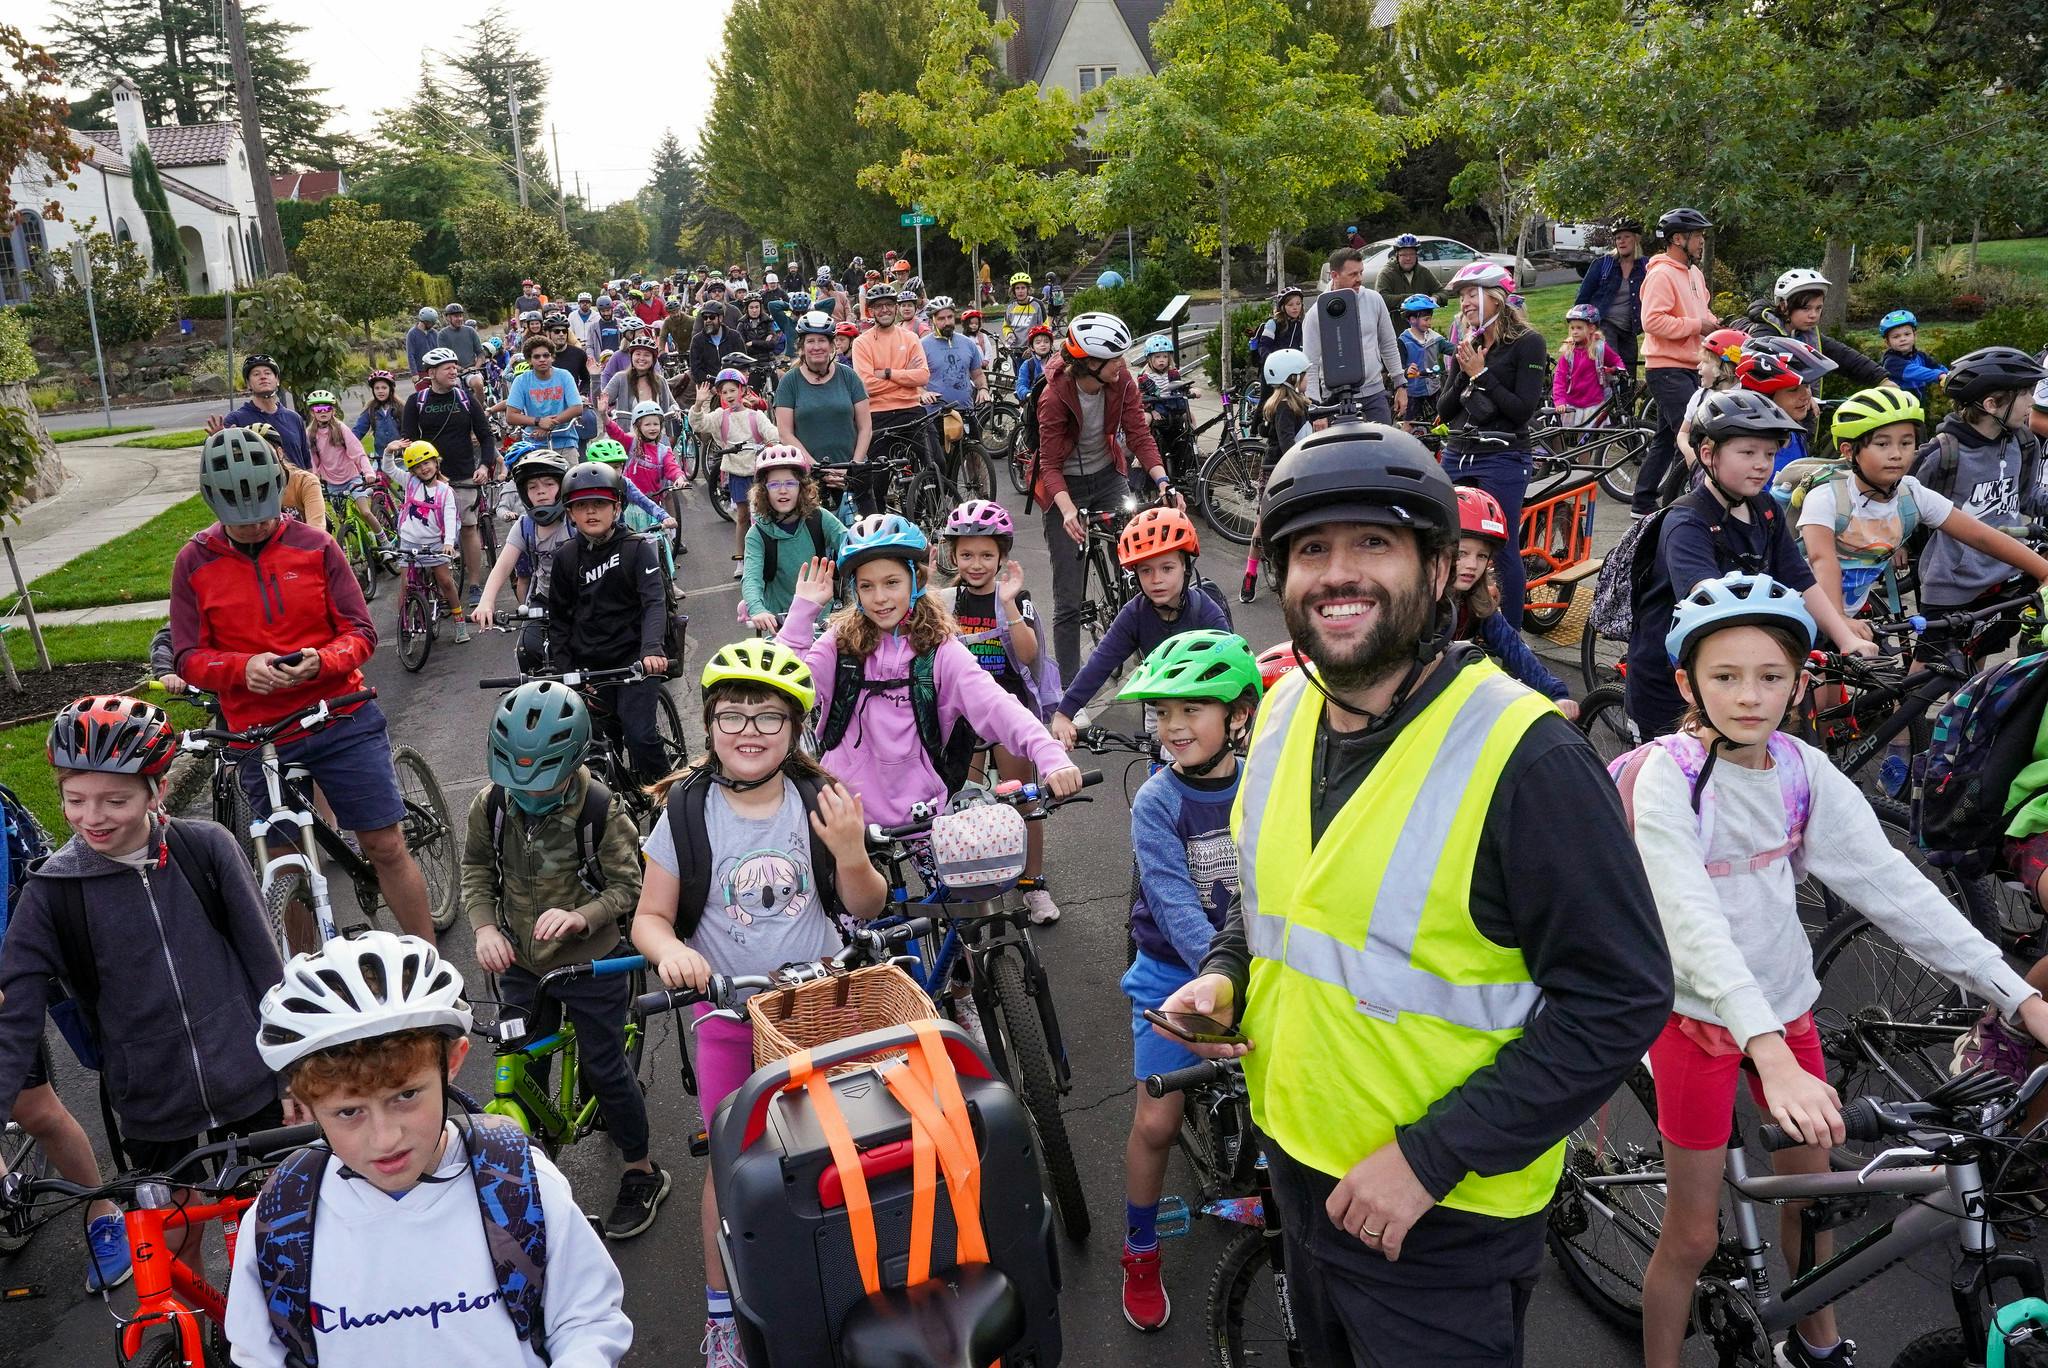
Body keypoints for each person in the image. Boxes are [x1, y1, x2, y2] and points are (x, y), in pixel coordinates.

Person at [1157, 425, 1671, 1367]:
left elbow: (1620, 997)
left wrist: (1430, 1160)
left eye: (1374, 544)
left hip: (1441, 1219)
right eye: (1312, 548)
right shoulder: (1280, 711)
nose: (1337, 575)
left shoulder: (1529, 757)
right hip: (1300, 1162)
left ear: (1441, 572)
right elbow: (1279, 898)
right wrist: (1228, 973)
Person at [1627, 572, 2048, 1368]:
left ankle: (1815, 1346)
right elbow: (1690, 920)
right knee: (1689, 1236)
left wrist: (2018, 994)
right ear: (1687, 681)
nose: (1749, 696)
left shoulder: (1800, 771)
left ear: (1798, 680)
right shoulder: (1668, 778)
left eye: (1771, 676)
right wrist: (1769, 1053)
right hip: (1696, 1019)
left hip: (1785, 1011)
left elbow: (1895, 891)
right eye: (1725, 677)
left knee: (1812, 1207)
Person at [630, 641, 888, 1368]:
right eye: (734, 715)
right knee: (730, 1170)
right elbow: (649, 916)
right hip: (728, 1018)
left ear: (794, 730)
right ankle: (720, 1315)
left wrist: (851, 853)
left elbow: (865, 905)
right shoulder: (686, 811)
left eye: (769, 717)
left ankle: (859, 1274)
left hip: (824, 1005)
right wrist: (672, 952)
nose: (750, 730)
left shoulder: (819, 802)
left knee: (851, 1146)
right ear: (709, 724)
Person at [229, 932, 633, 1367]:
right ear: (306, 1104)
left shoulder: (515, 1181)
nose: (385, 1139)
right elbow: (258, 1356)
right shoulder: (283, 1218)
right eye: (348, 1112)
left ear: (453, 1061)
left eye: (405, 1096)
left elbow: (586, 1319)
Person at [0, 696, 283, 1289]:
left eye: (115, 800)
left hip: (251, 1080)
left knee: (275, 1230)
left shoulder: (205, 849)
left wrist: (298, 1075)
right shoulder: (51, 894)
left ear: (157, 791)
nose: (91, 818)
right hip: (151, 1102)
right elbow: (16, 1016)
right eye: (74, 800)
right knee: (174, 1238)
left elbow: (268, 973)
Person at [173, 429, 437, 948]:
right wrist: (240, 669)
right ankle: (307, 981)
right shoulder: (195, 561)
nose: (253, 527)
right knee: (288, 865)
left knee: (384, 844)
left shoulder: (316, 547)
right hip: (261, 735)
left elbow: (361, 634)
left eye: (264, 513)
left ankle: (433, 968)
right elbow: (187, 656)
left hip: (339, 715)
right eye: (239, 519)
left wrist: (321, 661)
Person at [462, 681, 667, 1237]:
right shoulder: (493, 805)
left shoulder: (601, 811)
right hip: (523, 964)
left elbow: (630, 888)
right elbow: (477, 871)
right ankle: (537, 1152)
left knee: (605, 1068)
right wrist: (484, 927)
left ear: (575, 762)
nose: (528, 795)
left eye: (544, 785)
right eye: (516, 783)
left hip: (589, 963)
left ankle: (641, 1167)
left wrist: (584, 917)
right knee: (523, 1060)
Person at [1112, 630, 1263, 1332]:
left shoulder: (1266, 781)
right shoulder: (1157, 802)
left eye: (1191, 709)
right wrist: (1224, 984)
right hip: (1172, 977)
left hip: (1256, 969)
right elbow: (1175, 912)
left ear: (1238, 715)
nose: (1171, 727)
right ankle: (1140, 1250)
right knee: (1156, 1121)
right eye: (1162, 712)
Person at [774, 517, 1082, 830]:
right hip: (845, 812)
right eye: (866, 586)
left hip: (921, 815)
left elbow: (996, 705)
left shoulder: (941, 650)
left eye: (892, 582)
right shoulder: (841, 643)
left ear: (915, 580)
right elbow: (780, 690)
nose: (879, 597)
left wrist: (1048, 753)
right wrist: (802, 613)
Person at [1622, 391, 1875, 740]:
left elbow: (1800, 579)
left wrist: (1844, 637)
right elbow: (1710, 605)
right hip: (1671, 679)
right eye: (1747, 453)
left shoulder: (1765, 508)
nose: (1762, 464)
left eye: (1770, 453)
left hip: (1735, 672)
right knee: (1673, 782)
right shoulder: (1687, 522)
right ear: (1708, 454)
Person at [1796, 387, 2048, 626]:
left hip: (1842, 617)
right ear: (1849, 451)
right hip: (1795, 613)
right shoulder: (1827, 498)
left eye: (1906, 443)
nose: (1896, 454)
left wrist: (2043, 571)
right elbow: (1822, 560)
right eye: (1882, 444)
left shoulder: (1911, 493)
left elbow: (1981, 536)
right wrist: (1838, 620)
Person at [1033, 311, 1184, 682]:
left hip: (1108, 478)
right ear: (1090, 363)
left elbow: (1139, 435)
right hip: (1063, 489)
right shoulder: (1054, 396)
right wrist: (1067, 512)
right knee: (1068, 597)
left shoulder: (1122, 381)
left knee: (1140, 568)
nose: (1122, 364)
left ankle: (1155, 666)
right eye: (1115, 358)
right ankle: (1070, 689)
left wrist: (1164, 482)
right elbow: (1049, 465)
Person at [936, 499, 1063, 922]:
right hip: (964, 721)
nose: (976, 564)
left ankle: (1032, 884)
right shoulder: (945, 602)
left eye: (987, 555)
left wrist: (1007, 604)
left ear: (1002, 557)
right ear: (953, 555)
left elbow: (1030, 656)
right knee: (962, 805)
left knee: (1024, 799)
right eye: (967, 554)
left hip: (1009, 714)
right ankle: (974, 878)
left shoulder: (1016, 597)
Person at [1049, 507, 1232, 745]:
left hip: (1205, 705)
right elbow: (1100, 663)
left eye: (1167, 568)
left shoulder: (1205, 612)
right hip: (1160, 710)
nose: (1156, 579)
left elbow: (1233, 668)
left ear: (1186, 567)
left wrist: (1240, 721)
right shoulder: (1135, 614)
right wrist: (1065, 713)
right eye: (1146, 570)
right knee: (1157, 772)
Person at [1911, 347, 2048, 648]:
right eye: (2025, 393)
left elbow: (2026, 499)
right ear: (1991, 404)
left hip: (2006, 574)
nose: (2032, 402)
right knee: (1930, 668)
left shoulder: (2023, 443)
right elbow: (1906, 505)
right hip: (1952, 581)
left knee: (1977, 658)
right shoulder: (1942, 454)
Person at [543, 463, 671, 784]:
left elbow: (654, 603)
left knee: (639, 736)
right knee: (594, 748)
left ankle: (670, 799)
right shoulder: (566, 557)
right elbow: (558, 621)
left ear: (616, 507)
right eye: (581, 506)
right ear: (570, 513)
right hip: (589, 669)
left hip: (636, 663)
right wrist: (566, 671)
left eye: (599, 504)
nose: (590, 512)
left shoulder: (638, 549)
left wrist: (652, 649)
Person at [1436, 262, 1546, 627]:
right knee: (1445, 540)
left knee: (1503, 547)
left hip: (1504, 455)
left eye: (1471, 294)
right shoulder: (1469, 343)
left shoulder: (1529, 342)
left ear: (1494, 298)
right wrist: (1464, 370)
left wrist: (1481, 374)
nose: (1464, 303)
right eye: (1462, 296)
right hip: (1459, 452)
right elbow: (1445, 409)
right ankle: (1448, 625)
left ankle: (1511, 637)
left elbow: (1521, 411)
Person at [1450, 488, 1574, 714]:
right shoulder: (1417, 602)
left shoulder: (1477, 602)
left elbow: (1513, 647)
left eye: (1482, 556)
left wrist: (1555, 692)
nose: (1472, 565)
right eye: (1461, 554)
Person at [1637, 207, 1719, 517]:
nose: (1701, 241)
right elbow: (1653, 321)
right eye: (1697, 236)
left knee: (1665, 438)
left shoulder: (1694, 272)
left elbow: (1703, 312)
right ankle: (1680, 503)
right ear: (1677, 239)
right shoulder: (1660, 274)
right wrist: (1698, 325)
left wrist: (1717, 325)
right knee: (1691, 434)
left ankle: (1642, 502)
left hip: (1691, 365)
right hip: (1666, 368)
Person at [403, 347, 503, 599]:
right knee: (432, 531)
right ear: (431, 373)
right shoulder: (417, 402)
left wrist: (483, 465)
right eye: (446, 367)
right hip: (429, 479)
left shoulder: (466, 399)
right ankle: (437, 581)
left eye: (454, 366)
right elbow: (410, 441)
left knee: (468, 528)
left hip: (463, 474)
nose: (453, 371)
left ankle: (473, 584)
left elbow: (486, 437)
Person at [473, 447, 571, 665]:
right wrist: (486, 602)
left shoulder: (574, 520)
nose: (541, 491)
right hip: (544, 598)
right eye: (532, 487)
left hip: (582, 598)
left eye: (549, 484)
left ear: (563, 486)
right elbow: (503, 565)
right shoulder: (525, 525)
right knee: (527, 651)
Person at [849, 284, 934, 516]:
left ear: (896, 308)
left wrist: (887, 373)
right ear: (871, 311)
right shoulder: (862, 343)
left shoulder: (911, 338)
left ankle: (925, 514)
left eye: (889, 305)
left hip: (911, 409)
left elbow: (923, 375)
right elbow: (865, 385)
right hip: (878, 414)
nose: (884, 310)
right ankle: (879, 526)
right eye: (878, 306)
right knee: (877, 478)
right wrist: (905, 379)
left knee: (935, 465)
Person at [742, 445, 845, 632]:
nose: (783, 490)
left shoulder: (819, 518)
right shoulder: (757, 534)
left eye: (790, 483)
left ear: (802, 488)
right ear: (763, 491)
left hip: (823, 621)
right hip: (782, 624)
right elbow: (751, 578)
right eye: (774, 484)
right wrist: (757, 609)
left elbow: (849, 544)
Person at [1301, 247, 1407, 425]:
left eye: (1361, 272)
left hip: (1374, 394)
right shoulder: (1316, 313)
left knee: (1383, 451)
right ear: (1334, 275)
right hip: (1335, 399)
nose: (1359, 279)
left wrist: (1400, 385)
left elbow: (1388, 345)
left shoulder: (1374, 300)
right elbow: (1309, 363)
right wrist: (1316, 407)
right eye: (1352, 274)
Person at [1743, 268, 1889, 393]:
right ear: (1783, 305)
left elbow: (1844, 356)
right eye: (1806, 308)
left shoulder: (1807, 335)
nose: (1813, 315)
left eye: (1818, 308)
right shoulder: (1763, 335)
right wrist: (1799, 394)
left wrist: (1881, 378)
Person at [694, 368, 779, 573]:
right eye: (724, 392)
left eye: (733, 390)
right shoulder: (720, 417)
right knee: (742, 516)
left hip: (759, 473)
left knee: (768, 514)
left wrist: (773, 444)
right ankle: (741, 559)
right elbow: (699, 423)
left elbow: (773, 434)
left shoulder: (755, 416)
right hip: (737, 473)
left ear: (742, 390)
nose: (729, 395)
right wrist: (698, 403)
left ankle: (773, 554)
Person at [775, 310, 871, 487]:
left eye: (822, 340)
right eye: (810, 341)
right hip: (808, 477)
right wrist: (818, 469)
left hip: (853, 473)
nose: (816, 346)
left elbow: (865, 427)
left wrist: (853, 467)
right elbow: (785, 434)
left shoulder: (849, 377)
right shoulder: (789, 382)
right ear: (801, 347)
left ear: (832, 345)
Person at [394, 440, 470, 643]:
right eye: (418, 466)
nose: (423, 468)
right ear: (412, 471)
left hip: (435, 544)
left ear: (436, 463)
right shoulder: (410, 483)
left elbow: (450, 517)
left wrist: (448, 543)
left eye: (427, 463)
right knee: (406, 586)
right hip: (409, 542)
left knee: (445, 581)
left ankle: (459, 621)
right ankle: (404, 625)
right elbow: (388, 469)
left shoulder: (445, 491)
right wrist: (387, 452)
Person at [305, 389, 389, 544]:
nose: (323, 412)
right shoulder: (310, 434)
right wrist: (314, 476)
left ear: (333, 411)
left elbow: (358, 453)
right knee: (343, 520)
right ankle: (354, 549)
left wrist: (368, 472)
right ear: (312, 412)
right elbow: (312, 461)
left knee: (365, 512)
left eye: (327, 408)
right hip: (332, 484)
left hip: (353, 478)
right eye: (318, 409)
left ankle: (384, 541)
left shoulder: (341, 429)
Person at [1572, 217, 1647, 371]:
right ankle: (1606, 394)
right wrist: (1580, 327)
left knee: (1628, 372)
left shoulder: (1645, 266)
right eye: (1618, 238)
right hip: (1605, 324)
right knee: (1611, 369)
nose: (1622, 241)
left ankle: (1625, 395)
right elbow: (1583, 297)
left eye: (1626, 237)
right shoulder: (1603, 264)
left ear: (1636, 239)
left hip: (1630, 328)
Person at [212, 354, 310, 470]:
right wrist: (217, 441)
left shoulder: (294, 418)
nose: (263, 377)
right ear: (248, 383)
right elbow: (222, 465)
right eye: (256, 374)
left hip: (297, 486)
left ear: (277, 380)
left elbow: (307, 463)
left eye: (268, 373)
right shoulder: (236, 420)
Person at [1676, 327, 1750, 471]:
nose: (1698, 367)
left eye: (1704, 362)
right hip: (1701, 466)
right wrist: (1690, 455)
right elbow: (1683, 433)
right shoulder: (1700, 396)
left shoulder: (1745, 398)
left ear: (1725, 367)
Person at [921, 297, 989, 437]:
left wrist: (983, 389)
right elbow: (913, 381)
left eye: (950, 317)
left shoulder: (967, 343)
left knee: (974, 454)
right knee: (941, 458)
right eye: (941, 318)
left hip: (966, 410)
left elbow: (977, 374)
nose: (947, 322)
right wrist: (923, 393)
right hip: (935, 414)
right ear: (932, 320)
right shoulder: (922, 346)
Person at [506, 335, 586, 452]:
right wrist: (539, 421)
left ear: (552, 357)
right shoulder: (521, 380)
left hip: (565, 440)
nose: (542, 359)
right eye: (537, 357)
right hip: (533, 441)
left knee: (572, 469)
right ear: (529, 360)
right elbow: (511, 416)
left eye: (546, 355)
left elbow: (577, 408)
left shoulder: (564, 376)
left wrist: (549, 425)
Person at [1551, 303, 1627, 427]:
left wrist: (1618, 369)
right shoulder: (1568, 352)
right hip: (1572, 403)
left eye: (1579, 328)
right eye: (1572, 328)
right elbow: (1559, 378)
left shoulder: (1600, 347)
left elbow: (1616, 360)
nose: (1574, 332)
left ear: (1591, 328)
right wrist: (1560, 400)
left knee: (1590, 439)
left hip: (1594, 404)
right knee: (1566, 436)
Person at [1397, 296, 1450, 425]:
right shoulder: (1404, 341)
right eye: (1426, 319)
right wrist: (1405, 371)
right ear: (1412, 319)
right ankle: (1406, 440)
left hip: (1433, 387)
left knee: (1443, 417)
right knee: (1409, 422)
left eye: (1430, 319)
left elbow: (1451, 349)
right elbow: (1399, 367)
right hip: (1413, 391)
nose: (1429, 323)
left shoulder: (1435, 338)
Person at [1879, 309, 1948, 400]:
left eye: (1907, 334)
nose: (1903, 339)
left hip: (1920, 403)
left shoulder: (1920, 356)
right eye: (1896, 337)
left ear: (1915, 335)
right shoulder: (1891, 362)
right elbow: (1915, 371)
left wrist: (1951, 374)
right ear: (1887, 342)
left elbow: (1937, 367)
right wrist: (1939, 375)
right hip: (1900, 407)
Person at [1373, 234, 1441, 320]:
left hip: (1421, 328)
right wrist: (1412, 299)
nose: (1408, 258)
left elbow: (1442, 292)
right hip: (1395, 328)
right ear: (1397, 255)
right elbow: (1381, 298)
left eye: (1412, 254)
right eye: (1404, 254)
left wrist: (1434, 298)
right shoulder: (1386, 273)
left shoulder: (1423, 271)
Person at [352, 369, 406, 465]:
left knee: (408, 479)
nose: (380, 391)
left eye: (384, 388)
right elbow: (358, 431)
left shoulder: (400, 408)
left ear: (391, 389)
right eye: (377, 388)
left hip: (401, 457)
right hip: (380, 457)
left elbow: (408, 431)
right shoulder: (370, 410)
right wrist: (347, 443)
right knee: (374, 479)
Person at [1251, 287, 1306, 378]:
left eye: (1298, 304)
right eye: (1290, 305)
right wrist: (1270, 361)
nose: (1295, 307)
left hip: (1292, 368)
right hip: (1272, 369)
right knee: (1269, 391)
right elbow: (1263, 346)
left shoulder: (1302, 324)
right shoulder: (1273, 324)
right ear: (1282, 307)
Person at [437, 302, 487, 397]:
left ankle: (479, 410)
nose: (459, 319)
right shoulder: (443, 334)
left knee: (478, 384)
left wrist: (475, 367)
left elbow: (480, 353)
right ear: (448, 318)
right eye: (456, 316)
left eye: (460, 316)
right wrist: (459, 369)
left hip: (471, 371)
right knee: (452, 391)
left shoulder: (470, 331)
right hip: (452, 372)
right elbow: (444, 358)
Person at [1002, 271, 1047, 358]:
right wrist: (1009, 334)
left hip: (1033, 351)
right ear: (1013, 291)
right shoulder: (1011, 306)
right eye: (1017, 288)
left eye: (1023, 288)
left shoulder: (1037, 305)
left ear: (1028, 290)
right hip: (1015, 350)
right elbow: (1006, 326)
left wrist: (1034, 347)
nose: (1020, 291)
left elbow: (1045, 327)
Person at [1013, 323, 1055, 399]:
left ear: (1051, 344)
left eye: (1046, 341)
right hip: (1035, 402)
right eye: (1038, 342)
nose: (1043, 344)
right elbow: (1021, 384)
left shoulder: (1056, 362)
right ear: (1032, 347)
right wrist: (1027, 394)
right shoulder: (1028, 365)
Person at [405, 306, 441, 376]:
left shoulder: (435, 333)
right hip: (421, 371)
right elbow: (410, 355)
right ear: (425, 322)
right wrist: (414, 373)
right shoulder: (412, 334)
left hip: (434, 370)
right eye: (432, 323)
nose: (433, 325)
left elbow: (439, 351)